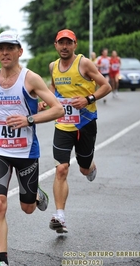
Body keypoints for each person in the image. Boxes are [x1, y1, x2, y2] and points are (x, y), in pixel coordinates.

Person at [0, 30, 65, 266]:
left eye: (10, 48)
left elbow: (58, 109)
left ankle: (36, 194)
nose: (5, 52)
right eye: (1, 48)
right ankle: (2, 260)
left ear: (19, 51)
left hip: (26, 153)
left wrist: (29, 119)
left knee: (28, 208)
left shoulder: (30, 79)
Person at [46, 29, 111, 234]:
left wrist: (88, 99)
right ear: (55, 45)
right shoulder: (53, 66)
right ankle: (59, 216)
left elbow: (106, 86)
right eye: (61, 43)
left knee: (83, 169)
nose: (64, 47)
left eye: (69, 43)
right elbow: (54, 89)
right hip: (63, 124)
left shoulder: (84, 63)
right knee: (61, 169)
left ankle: (89, 166)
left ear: (75, 45)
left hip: (85, 124)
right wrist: (46, 101)